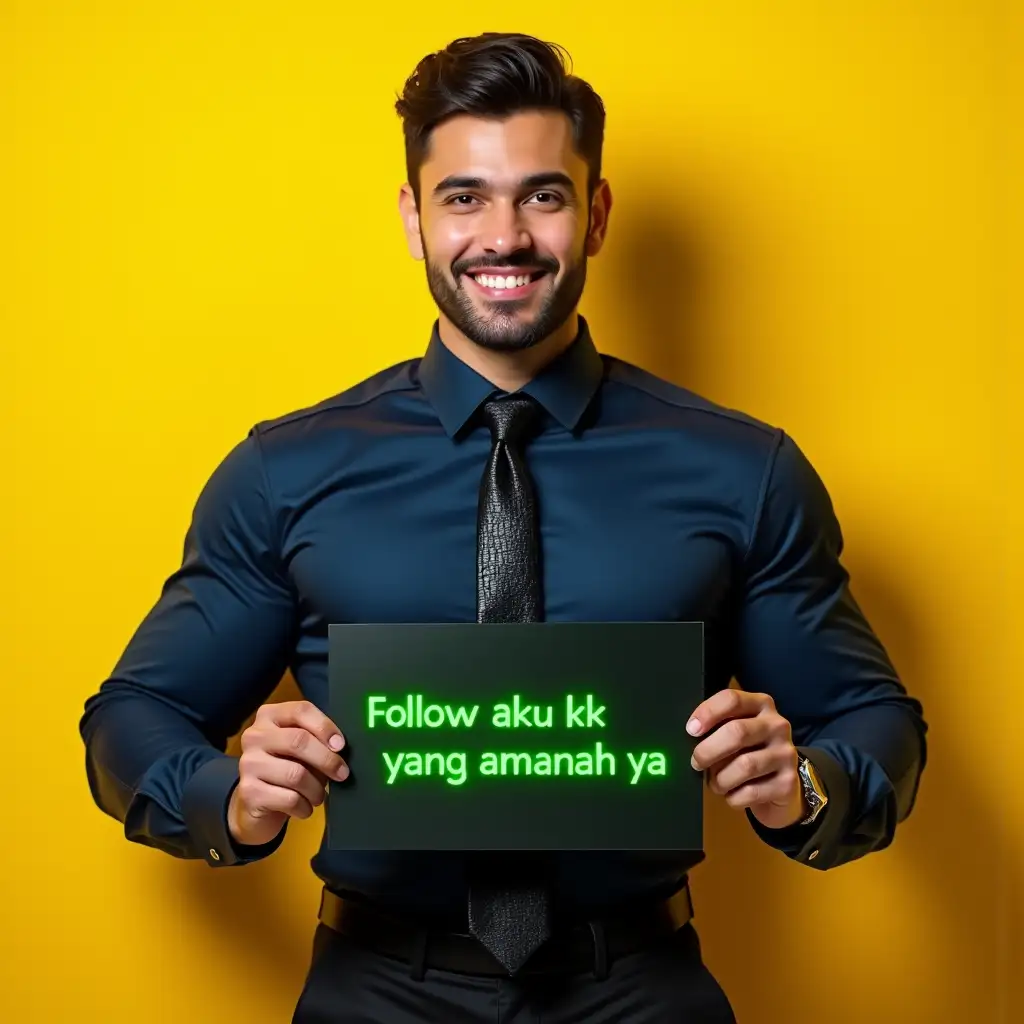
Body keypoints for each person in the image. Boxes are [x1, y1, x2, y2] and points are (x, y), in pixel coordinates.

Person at [79, 31, 928, 1023]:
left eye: (542, 195)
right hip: (375, 988)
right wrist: (229, 793)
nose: (505, 236)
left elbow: (877, 719)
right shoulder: (286, 471)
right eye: (464, 197)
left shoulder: (743, 470)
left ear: (594, 213)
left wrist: (805, 786)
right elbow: (129, 718)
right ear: (413, 218)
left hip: (638, 987)